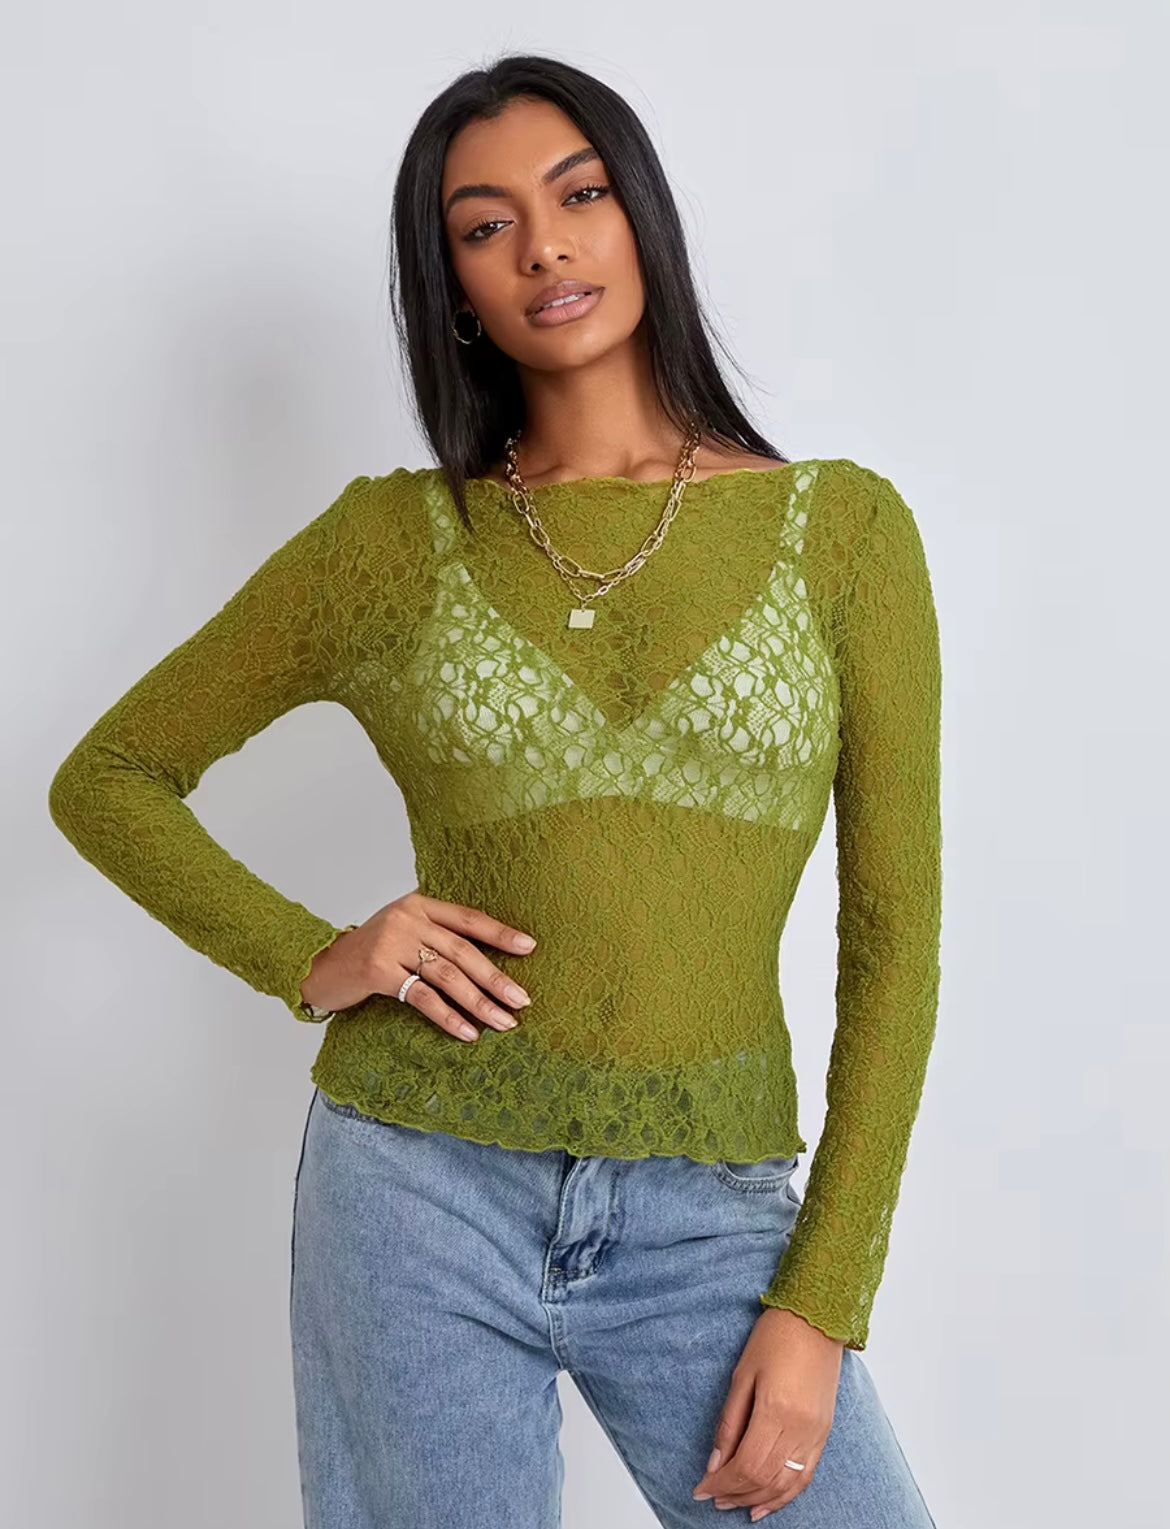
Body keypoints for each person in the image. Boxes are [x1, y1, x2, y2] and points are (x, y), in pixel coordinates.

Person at [48, 52, 942, 1529]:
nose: (543, 246)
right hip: (416, 1189)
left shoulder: (842, 533)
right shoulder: (391, 544)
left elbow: (894, 939)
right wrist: (316, 955)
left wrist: (822, 1297)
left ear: (640, 215)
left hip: (708, 1211)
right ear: (454, 286)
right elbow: (111, 778)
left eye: (579, 195)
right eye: (485, 224)